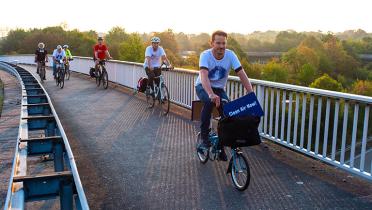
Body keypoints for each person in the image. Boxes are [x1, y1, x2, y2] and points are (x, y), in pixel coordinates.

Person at [195, 30, 254, 161]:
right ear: (212, 43)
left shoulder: (230, 55)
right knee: (209, 103)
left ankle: (220, 146)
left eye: (224, 43)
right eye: (218, 43)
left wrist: (251, 92)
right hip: (203, 86)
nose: (221, 46)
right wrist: (210, 94)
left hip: (219, 88)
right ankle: (204, 138)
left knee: (227, 114)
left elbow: (241, 73)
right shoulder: (205, 55)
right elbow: (204, 75)